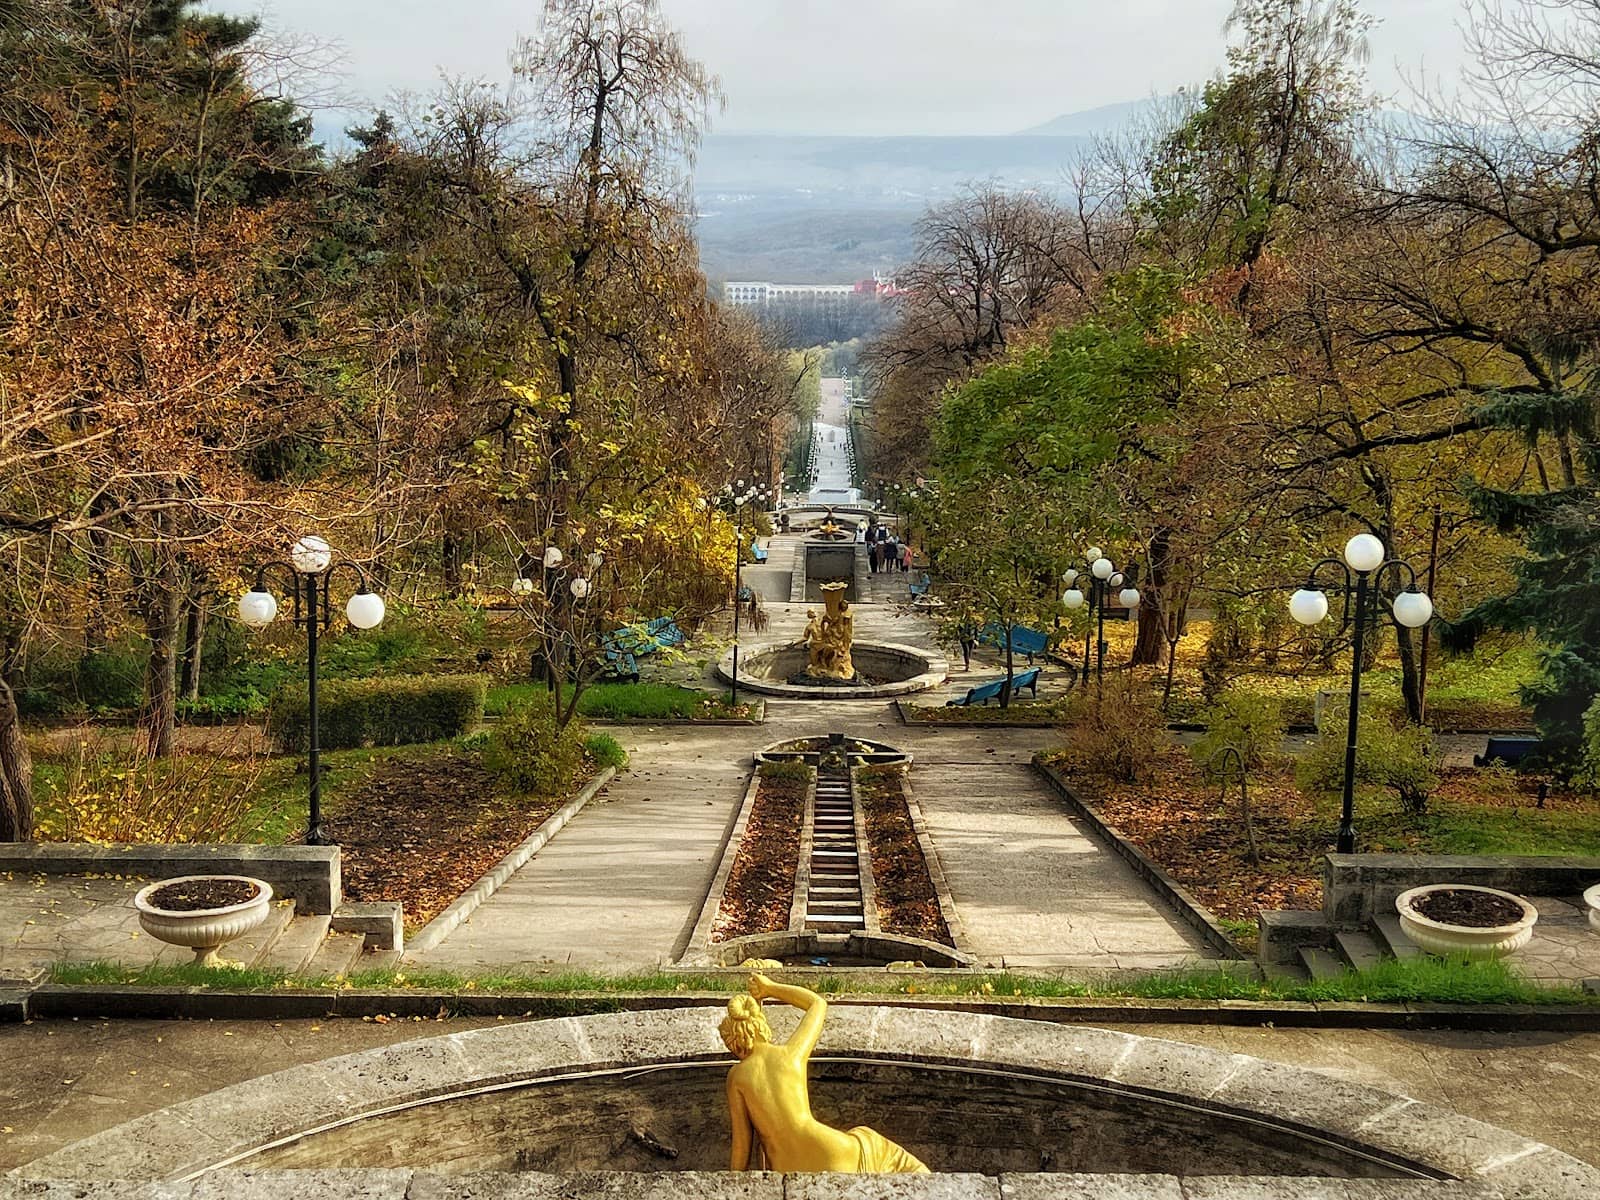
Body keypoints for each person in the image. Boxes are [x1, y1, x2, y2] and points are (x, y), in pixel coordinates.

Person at [720, 973, 929, 1174]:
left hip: (784, 1168)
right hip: (831, 1151)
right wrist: (770, 988)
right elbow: (817, 1003)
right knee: (901, 1164)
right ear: (761, 1027)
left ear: (733, 1043)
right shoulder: (790, 1054)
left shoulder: (736, 1077)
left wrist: (733, 1184)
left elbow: (742, 1144)